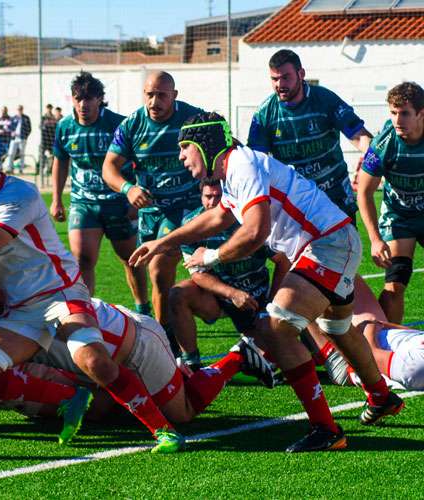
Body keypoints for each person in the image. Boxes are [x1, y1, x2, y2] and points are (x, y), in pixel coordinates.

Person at [130, 112, 404, 452]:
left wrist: (211, 258)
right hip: (330, 242)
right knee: (337, 329)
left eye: (185, 148)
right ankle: (381, 396)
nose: (182, 158)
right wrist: (163, 243)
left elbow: (255, 231)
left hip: (325, 246)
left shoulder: (241, 164)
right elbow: (218, 217)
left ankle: (327, 430)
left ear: (205, 143)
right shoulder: (235, 170)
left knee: (276, 329)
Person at [0, 144, 190, 453]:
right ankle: (70, 398)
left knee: (93, 360)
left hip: (60, 293)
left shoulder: (18, 195)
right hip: (21, 308)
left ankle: (163, 430)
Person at [0, 292, 276, 438]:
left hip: (134, 345)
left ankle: (236, 357)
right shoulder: (4, 328)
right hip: (108, 363)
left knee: (184, 414)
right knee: (104, 410)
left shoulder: (33, 306)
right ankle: (176, 384)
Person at [102, 71, 204, 334]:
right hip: (150, 211)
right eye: (149, 94)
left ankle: (164, 334)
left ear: (174, 96)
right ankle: (165, 329)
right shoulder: (132, 124)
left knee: (159, 267)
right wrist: (128, 188)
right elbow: (109, 168)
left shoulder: (192, 119)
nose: (154, 102)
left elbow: (221, 145)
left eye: (161, 95)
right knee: (156, 276)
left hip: (188, 206)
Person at [50, 71, 150, 316]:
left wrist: (134, 198)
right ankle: (88, 312)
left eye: (89, 98)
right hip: (84, 203)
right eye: (78, 99)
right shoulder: (64, 127)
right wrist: (56, 199)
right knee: (82, 259)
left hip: (118, 202)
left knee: (131, 258)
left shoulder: (119, 124)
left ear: (100, 99)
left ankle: (143, 308)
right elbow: (60, 161)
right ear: (72, 100)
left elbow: (141, 161)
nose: (83, 104)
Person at [170, 178, 290, 370]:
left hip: (257, 297)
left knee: (272, 360)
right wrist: (232, 294)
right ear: (200, 197)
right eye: (208, 196)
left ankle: (313, 346)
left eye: (219, 196)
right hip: (219, 297)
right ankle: (191, 362)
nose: (213, 202)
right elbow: (197, 274)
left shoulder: (250, 220)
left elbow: (283, 262)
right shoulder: (191, 224)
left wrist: (271, 305)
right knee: (177, 294)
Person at [248, 49, 372, 218]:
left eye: (286, 77)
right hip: (294, 201)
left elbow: (359, 136)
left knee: (345, 244)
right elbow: (256, 159)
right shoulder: (264, 113)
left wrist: (378, 157)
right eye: (274, 79)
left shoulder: (325, 99)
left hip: (335, 195)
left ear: (301, 74)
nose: (279, 84)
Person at [357, 82, 424, 323]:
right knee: (395, 283)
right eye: (393, 113)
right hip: (399, 217)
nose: (397, 120)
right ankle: (390, 347)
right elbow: (364, 192)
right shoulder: (384, 143)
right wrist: (375, 240)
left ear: (421, 113)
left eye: (404, 113)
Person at [4, 105, 31, 174]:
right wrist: (11, 132)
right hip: (14, 138)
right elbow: (9, 127)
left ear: (22, 109)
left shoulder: (26, 118)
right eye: (18, 109)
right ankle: (10, 168)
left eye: (21, 109)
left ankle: (21, 168)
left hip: (22, 138)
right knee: (11, 153)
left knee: (22, 153)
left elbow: (29, 128)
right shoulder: (13, 118)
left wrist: (25, 136)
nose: (19, 110)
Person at [39, 103, 56, 175]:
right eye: (48, 108)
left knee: (52, 156)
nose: (49, 109)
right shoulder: (43, 117)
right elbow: (40, 126)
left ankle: (49, 169)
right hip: (44, 140)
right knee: (42, 155)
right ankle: (41, 169)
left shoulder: (53, 118)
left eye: (50, 108)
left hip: (51, 140)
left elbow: (55, 127)